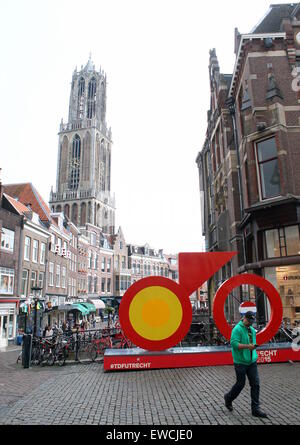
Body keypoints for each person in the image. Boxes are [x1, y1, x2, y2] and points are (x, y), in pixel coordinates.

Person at [224, 311, 268, 418]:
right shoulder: (237, 329)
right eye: (249, 321)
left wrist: (253, 346)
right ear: (244, 318)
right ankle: (228, 398)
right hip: (240, 362)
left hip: (252, 361)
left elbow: (252, 343)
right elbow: (234, 344)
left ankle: (255, 409)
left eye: (252, 321)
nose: (250, 323)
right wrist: (248, 346)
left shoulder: (252, 330)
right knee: (240, 384)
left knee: (255, 384)